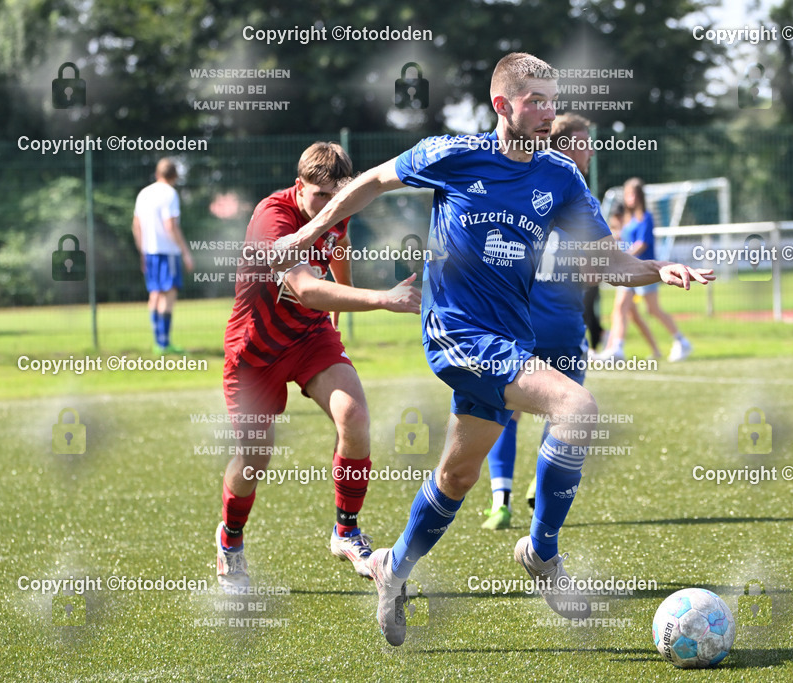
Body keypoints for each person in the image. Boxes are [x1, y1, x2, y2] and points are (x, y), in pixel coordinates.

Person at [273, 53, 713, 646]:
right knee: (577, 408)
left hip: (510, 340)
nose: (548, 112)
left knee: (457, 476)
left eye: (553, 101)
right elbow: (372, 181)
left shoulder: (560, 177)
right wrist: (305, 234)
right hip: (456, 334)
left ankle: (392, 567)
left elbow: (608, 261)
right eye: (535, 101)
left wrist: (658, 269)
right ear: (503, 105)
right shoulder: (453, 154)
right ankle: (542, 554)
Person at [215, 142, 421, 594]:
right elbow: (306, 289)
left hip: (310, 336)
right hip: (256, 351)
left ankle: (346, 531)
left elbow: (339, 243)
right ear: (299, 186)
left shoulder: (337, 208)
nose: (329, 205)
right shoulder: (273, 218)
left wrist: (341, 301)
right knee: (255, 457)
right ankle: (230, 539)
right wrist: (382, 299)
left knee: (355, 417)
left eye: (337, 196)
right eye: (320, 196)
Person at [481, 112, 594, 530]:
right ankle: (540, 495)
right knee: (565, 412)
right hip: (562, 325)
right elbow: (594, 270)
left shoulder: (518, 188)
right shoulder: (578, 196)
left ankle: (500, 501)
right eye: (583, 142)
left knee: (506, 412)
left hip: (517, 326)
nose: (590, 150)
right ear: (565, 146)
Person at [599, 177, 693, 362]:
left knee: (653, 309)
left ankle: (682, 341)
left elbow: (641, 244)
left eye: (633, 194)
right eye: (628, 194)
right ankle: (617, 349)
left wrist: (622, 257)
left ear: (640, 196)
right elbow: (624, 239)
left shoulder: (646, 218)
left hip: (645, 270)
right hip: (628, 271)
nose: (630, 198)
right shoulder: (628, 220)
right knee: (621, 307)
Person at [132, 158, 194, 354]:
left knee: (155, 294)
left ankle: (158, 342)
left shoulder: (144, 193)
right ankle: (164, 343)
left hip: (149, 251)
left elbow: (136, 225)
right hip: (168, 252)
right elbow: (170, 226)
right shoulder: (170, 193)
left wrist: (142, 251)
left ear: (157, 173)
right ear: (175, 175)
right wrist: (185, 252)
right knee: (169, 293)